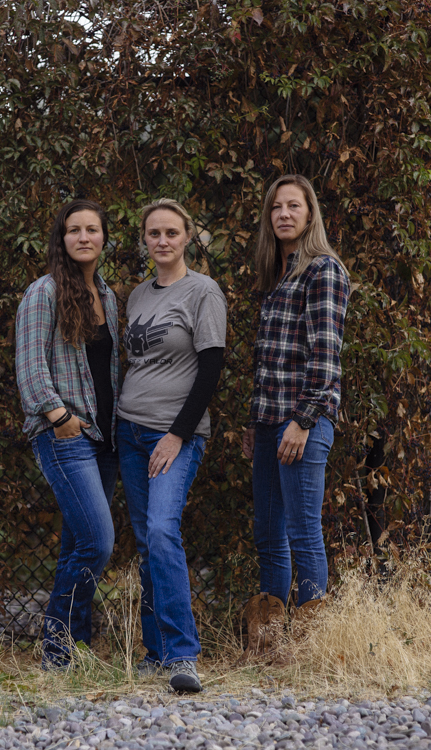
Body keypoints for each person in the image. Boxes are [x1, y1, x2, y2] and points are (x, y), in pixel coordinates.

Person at [117, 198, 227, 692]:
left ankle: (183, 655)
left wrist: (177, 434)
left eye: (171, 233)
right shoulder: (138, 295)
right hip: (129, 431)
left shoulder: (203, 291)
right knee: (146, 541)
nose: (162, 241)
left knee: (162, 531)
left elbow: (211, 369)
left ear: (187, 238)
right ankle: (154, 651)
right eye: (154, 233)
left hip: (174, 435)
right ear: (145, 239)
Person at [241, 174, 350, 661]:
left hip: (303, 422)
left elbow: (325, 357)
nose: (284, 214)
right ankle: (271, 647)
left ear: (310, 214)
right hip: (270, 424)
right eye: (276, 208)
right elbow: (270, 360)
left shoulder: (322, 270)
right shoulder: (277, 276)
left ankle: (312, 650)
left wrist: (303, 421)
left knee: (303, 531)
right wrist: (256, 422)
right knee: (268, 533)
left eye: (294, 206)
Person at [15, 199, 120, 669]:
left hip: (105, 439)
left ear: (103, 238)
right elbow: (31, 367)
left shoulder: (109, 296)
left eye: (91, 229)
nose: (83, 237)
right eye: (73, 230)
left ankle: (71, 651)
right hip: (65, 435)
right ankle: (56, 648)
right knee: (98, 542)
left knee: (77, 545)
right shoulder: (43, 293)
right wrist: (60, 419)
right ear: (62, 239)